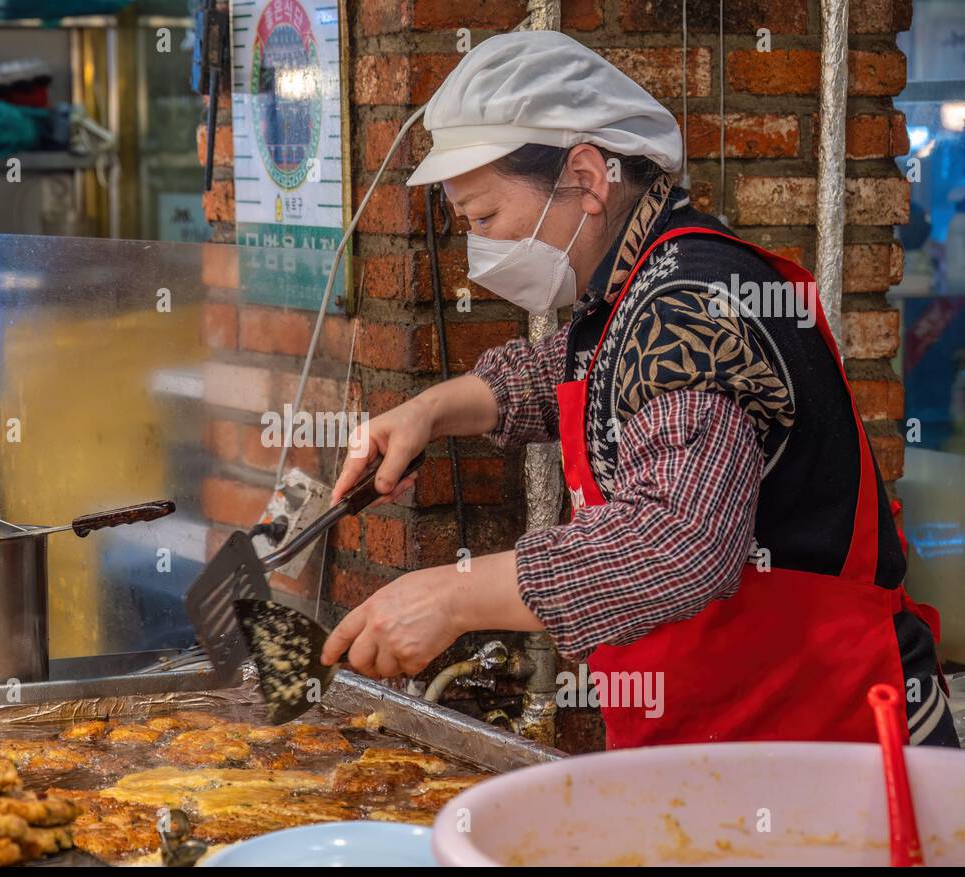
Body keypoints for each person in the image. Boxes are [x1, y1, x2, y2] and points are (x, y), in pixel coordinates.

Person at [322, 31, 955, 748]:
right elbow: (570, 374)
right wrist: (429, 412)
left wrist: (452, 597)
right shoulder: (647, 279)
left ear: (588, 179)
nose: (481, 254)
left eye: (487, 218)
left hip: (829, 733)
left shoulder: (685, 300)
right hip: (744, 725)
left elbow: (679, 539)